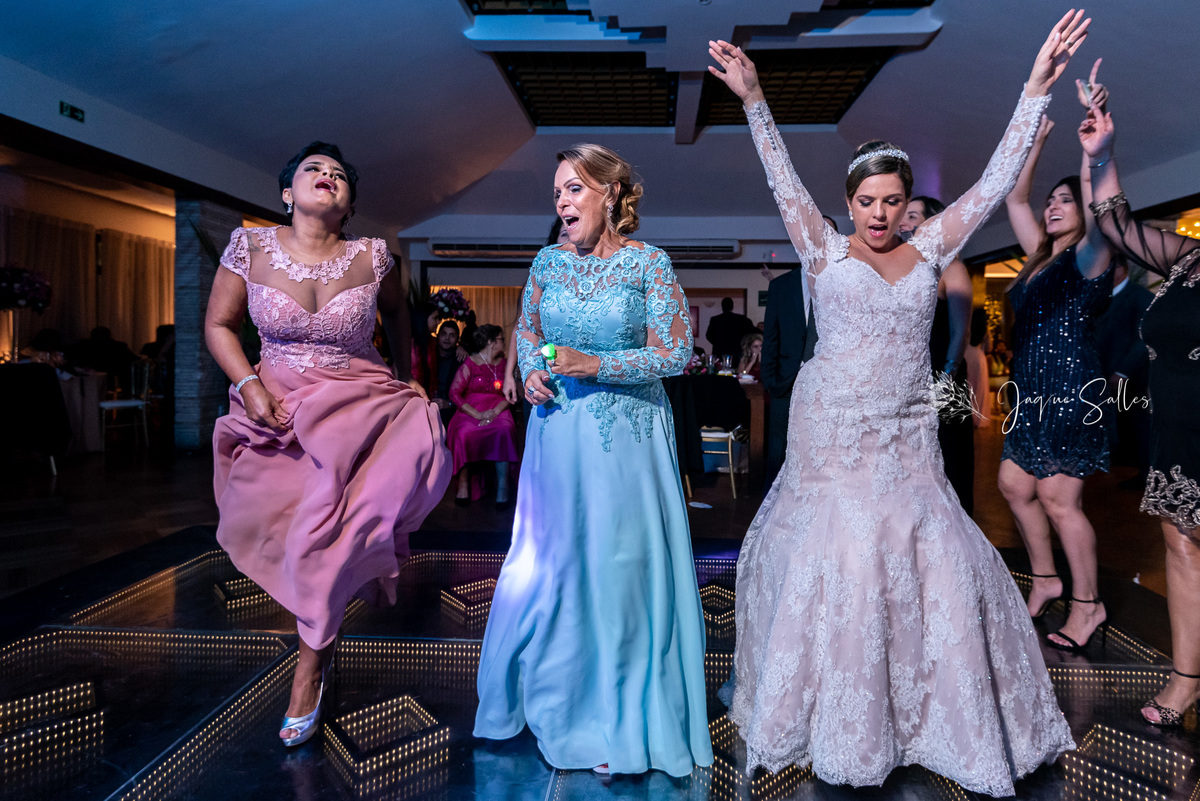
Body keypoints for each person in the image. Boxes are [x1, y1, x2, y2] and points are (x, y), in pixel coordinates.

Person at [707, 10, 1085, 793]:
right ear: (851, 202)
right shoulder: (822, 246)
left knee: (936, 558)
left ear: (907, 202)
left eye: (892, 200)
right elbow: (780, 173)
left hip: (906, 432)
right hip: (835, 434)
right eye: (868, 200)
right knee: (842, 557)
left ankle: (931, 715)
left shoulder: (933, 247)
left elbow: (989, 183)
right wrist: (753, 99)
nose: (880, 213)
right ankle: (844, 717)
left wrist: (1035, 87)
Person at [474, 143, 712, 777]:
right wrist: (529, 369)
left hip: (627, 443)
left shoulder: (648, 265)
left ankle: (620, 712)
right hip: (558, 437)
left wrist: (596, 364)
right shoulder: (547, 263)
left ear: (611, 195)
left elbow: (675, 353)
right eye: (556, 192)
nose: (561, 201)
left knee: (619, 565)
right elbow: (528, 331)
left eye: (574, 189)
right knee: (555, 563)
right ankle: (559, 693)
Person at [205, 142, 451, 747]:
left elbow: (398, 318)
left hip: (359, 403)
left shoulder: (373, 258)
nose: (327, 177)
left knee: (333, 538)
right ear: (287, 193)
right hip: (279, 408)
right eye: (313, 170)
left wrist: (404, 370)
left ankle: (309, 668)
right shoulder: (250, 248)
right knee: (297, 541)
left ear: (348, 203)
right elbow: (218, 325)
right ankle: (321, 644)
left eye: (339, 174)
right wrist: (248, 382)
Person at [1080, 77, 1200, 727]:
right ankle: (1185, 681)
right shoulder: (1188, 261)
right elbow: (1115, 224)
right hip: (1177, 432)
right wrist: (1103, 153)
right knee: (1182, 545)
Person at [999, 60, 1113, 653]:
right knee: (1015, 484)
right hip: (1031, 390)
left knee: (1058, 497)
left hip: (1072, 391)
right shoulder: (1038, 258)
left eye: (1064, 200)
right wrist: (1035, 146)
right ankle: (1046, 578)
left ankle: (1088, 604)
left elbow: (1099, 217)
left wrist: (1091, 159)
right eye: (1054, 201)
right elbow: (1016, 199)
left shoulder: (1090, 257)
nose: (1053, 206)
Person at [900, 195, 977, 514]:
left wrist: (945, 377)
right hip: (912, 377)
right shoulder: (909, 269)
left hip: (944, 377)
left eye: (913, 216)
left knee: (949, 462)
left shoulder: (952, 267)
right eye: (904, 216)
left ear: (933, 223)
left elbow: (961, 332)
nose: (904, 221)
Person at [761, 218, 831, 484]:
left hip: (829, 385)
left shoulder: (844, 285)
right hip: (785, 384)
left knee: (822, 451)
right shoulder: (781, 286)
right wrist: (771, 381)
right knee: (778, 451)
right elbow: (771, 339)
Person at [1094, 255, 1153, 486]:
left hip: (1132, 375)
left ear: (1121, 270)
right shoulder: (1099, 298)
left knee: (1139, 423)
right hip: (1102, 375)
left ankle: (1146, 475)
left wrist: (1123, 372)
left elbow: (1143, 339)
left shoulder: (1141, 297)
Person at [446, 324, 518, 507]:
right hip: (471, 410)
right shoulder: (470, 363)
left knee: (504, 429)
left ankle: (503, 488)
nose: (504, 343)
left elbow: (511, 394)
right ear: (491, 342)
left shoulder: (505, 364)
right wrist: (477, 415)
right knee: (464, 433)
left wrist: (495, 411)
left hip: (499, 407)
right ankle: (463, 486)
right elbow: (454, 393)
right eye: (501, 339)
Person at [431, 320, 465, 427]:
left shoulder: (461, 360)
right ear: (437, 336)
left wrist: (448, 404)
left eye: (452, 335)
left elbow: (466, 395)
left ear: (457, 340)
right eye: (444, 334)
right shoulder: (428, 353)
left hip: (450, 409)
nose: (447, 338)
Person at [964, 307, 993, 428]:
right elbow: (989, 348)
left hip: (966, 354)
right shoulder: (986, 330)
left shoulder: (967, 325)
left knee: (968, 385)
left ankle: (967, 415)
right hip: (979, 357)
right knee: (979, 387)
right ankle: (978, 418)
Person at [705, 296, 756, 363]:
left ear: (722, 307)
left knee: (719, 370)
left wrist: (718, 343)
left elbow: (709, 335)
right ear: (732, 306)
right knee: (737, 371)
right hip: (737, 351)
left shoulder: (715, 320)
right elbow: (751, 333)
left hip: (719, 351)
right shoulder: (742, 319)